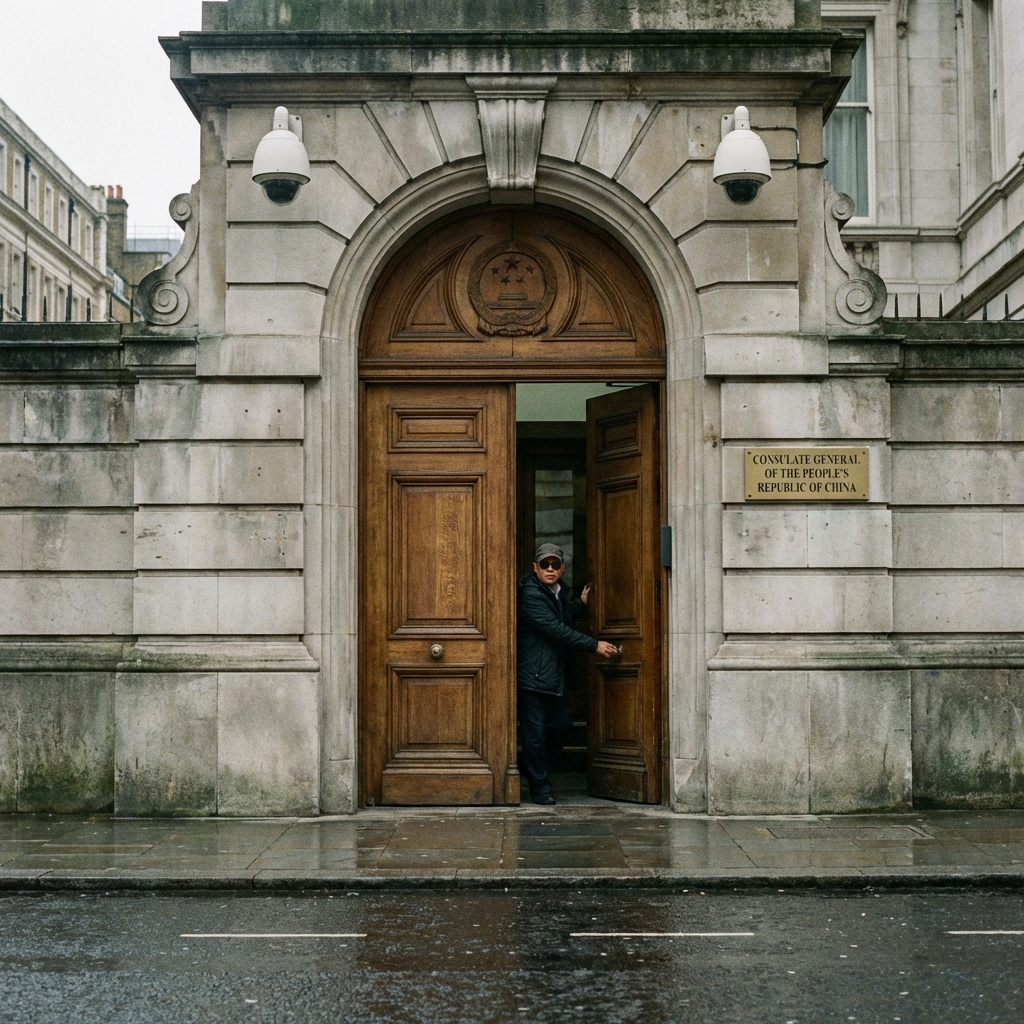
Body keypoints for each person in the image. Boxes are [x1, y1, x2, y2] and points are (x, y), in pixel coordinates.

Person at [516, 543, 618, 805]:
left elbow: (559, 615)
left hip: (554, 675)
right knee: (535, 735)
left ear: (562, 568)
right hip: (533, 675)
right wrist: (594, 645)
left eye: (555, 565)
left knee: (561, 727)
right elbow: (552, 627)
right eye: (544, 564)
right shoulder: (529, 593)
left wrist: (579, 605)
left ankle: (529, 769)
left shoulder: (559, 593)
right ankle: (541, 787)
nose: (550, 569)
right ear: (535, 567)